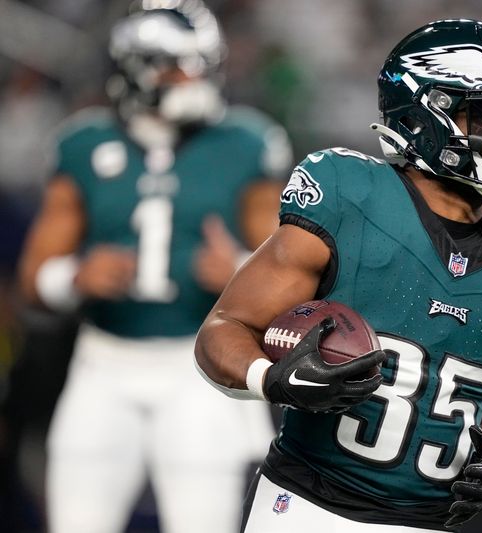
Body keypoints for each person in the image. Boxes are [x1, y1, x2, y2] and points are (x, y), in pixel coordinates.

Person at [195, 19, 482, 532]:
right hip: (308, 505)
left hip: (428, 522)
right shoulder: (350, 195)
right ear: (426, 114)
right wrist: (273, 380)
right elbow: (223, 330)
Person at [16, 1, 293, 532]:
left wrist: (239, 270)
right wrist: (74, 278)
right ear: (133, 68)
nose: (193, 79)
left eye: (201, 64)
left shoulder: (247, 142)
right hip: (103, 363)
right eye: (177, 66)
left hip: (201, 369)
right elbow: (33, 279)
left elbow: (289, 275)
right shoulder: (83, 142)